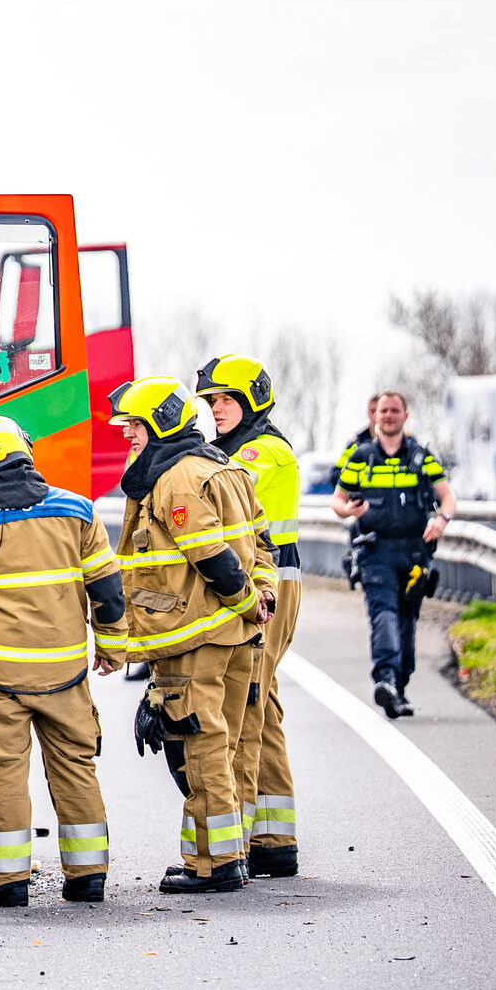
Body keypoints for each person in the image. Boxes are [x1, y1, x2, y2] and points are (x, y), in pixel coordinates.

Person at [0, 418, 127, 907]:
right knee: (75, 767)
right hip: (66, 674)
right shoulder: (77, 511)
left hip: (0, 679)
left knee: (5, 771)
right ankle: (88, 875)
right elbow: (108, 591)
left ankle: (6, 883)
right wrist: (112, 648)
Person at [109, 376, 271, 895]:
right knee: (222, 748)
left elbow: (212, 557)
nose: (128, 436)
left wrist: (246, 597)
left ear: (158, 423)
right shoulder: (225, 468)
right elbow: (263, 544)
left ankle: (218, 865)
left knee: (199, 747)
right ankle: (214, 857)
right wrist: (259, 599)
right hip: (232, 636)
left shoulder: (176, 479)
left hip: (192, 637)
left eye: (134, 426)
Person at [195, 354, 302, 878]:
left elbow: (221, 488)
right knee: (266, 701)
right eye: (211, 402)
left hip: (272, 579)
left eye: (224, 400)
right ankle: (274, 838)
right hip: (256, 577)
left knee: (251, 701)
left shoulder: (266, 451)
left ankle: (235, 839)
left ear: (252, 401)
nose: (215, 410)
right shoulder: (227, 451)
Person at [330, 391, 454, 719]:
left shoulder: (421, 456)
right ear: (375, 416)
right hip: (375, 551)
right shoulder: (361, 456)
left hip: (415, 554)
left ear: (405, 416)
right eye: (383, 411)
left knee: (406, 621)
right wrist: (348, 510)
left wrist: (442, 520)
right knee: (383, 613)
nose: (388, 416)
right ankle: (384, 678)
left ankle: (399, 685)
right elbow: (337, 500)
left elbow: (447, 496)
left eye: (394, 411)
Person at [327, 395, 381, 489]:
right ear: (367, 413)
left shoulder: (403, 443)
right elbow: (335, 475)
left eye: (380, 411)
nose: (376, 415)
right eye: (373, 411)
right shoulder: (356, 443)